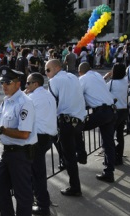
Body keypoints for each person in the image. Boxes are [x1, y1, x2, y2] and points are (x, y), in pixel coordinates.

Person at [0, 66, 37, 216]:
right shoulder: (7, 101)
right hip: (8, 152)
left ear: (18, 84)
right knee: (0, 187)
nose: (4, 85)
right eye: (2, 82)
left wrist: (1, 129)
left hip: (20, 153)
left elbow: (24, 134)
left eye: (8, 82)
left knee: (22, 191)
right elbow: (0, 123)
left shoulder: (24, 103)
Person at [45, 59, 87, 195]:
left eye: (48, 70)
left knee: (69, 157)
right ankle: (81, 154)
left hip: (66, 122)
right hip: (79, 120)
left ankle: (75, 187)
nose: (46, 73)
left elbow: (50, 103)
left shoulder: (54, 81)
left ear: (57, 68)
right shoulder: (73, 77)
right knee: (71, 151)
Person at [25, 72, 57, 216]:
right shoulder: (48, 94)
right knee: (38, 171)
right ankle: (42, 200)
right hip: (48, 137)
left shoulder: (31, 97)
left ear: (35, 84)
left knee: (37, 173)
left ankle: (43, 205)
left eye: (28, 83)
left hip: (38, 139)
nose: (26, 86)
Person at [78, 62, 117, 182]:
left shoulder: (82, 79)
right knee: (108, 142)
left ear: (80, 72)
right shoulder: (97, 75)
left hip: (101, 112)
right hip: (111, 110)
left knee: (77, 126)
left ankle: (81, 154)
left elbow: (78, 96)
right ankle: (109, 171)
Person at [105, 63, 129, 166]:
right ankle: (119, 157)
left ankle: (111, 158)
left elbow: (101, 88)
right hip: (124, 109)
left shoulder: (111, 83)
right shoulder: (125, 82)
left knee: (109, 136)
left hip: (114, 110)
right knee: (120, 135)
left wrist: (105, 77)